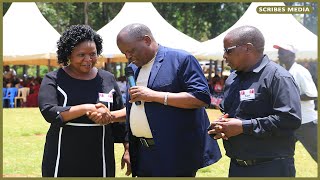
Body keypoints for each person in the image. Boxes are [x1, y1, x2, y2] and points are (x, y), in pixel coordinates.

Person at [116, 23, 221, 177]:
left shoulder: (181, 60)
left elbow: (201, 98)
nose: (128, 57)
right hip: (143, 153)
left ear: (146, 40)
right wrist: (128, 148)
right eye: (124, 53)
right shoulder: (135, 69)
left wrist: (154, 95)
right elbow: (135, 110)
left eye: (131, 51)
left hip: (175, 154)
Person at [208, 25, 301, 177]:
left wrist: (244, 127)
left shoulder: (278, 77)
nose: (224, 56)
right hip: (237, 166)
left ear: (247, 48)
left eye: (228, 50)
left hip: (271, 168)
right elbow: (233, 116)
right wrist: (222, 126)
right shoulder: (233, 78)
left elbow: (290, 119)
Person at [38, 25, 130, 177]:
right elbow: (49, 112)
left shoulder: (107, 79)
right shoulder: (53, 79)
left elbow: (121, 120)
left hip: (100, 156)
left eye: (93, 54)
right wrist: (86, 108)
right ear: (69, 54)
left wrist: (127, 148)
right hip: (63, 155)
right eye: (81, 55)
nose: (88, 60)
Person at [274, 44, 318, 162]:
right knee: (280, 153)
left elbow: (312, 94)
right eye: (279, 52)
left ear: (292, 55)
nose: (279, 55)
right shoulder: (286, 71)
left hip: (306, 123)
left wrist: (290, 97)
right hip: (291, 122)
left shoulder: (299, 71)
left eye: (282, 52)